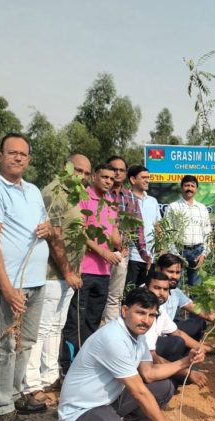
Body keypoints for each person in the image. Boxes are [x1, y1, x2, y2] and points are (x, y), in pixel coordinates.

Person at [58, 288, 202, 421]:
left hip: (107, 402)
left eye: (151, 315)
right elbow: (139, 392)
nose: (146, 321)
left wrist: (186, 361)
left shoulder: (137, 335)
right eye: (140, 313)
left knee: (164, 388)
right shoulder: (114, 339)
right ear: (124, 310)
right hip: (81, 411)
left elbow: (149, 373)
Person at [0, 133, 58, 421]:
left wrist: (48, 228)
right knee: (4, 344)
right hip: (10, 284)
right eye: (12, 152)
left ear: (29, 158)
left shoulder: (33, 191)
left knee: (25, 342)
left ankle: (13, 395)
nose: (18, 158)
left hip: (36, 280)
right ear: (0, 156)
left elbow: (43, 226)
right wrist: (8, 288)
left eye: (23, 154)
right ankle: (0, 409)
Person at [21, 154, 88, 404]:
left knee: (55, 328)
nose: (80, 176)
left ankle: (49, 376)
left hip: (67, 275)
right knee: (40, 329)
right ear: (65, 167)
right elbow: (54, 237)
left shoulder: (75, 195)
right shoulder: (54, 193)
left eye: (84, 172)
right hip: (51, 273)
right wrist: (68, 271)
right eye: (77, 170)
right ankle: (32, 383)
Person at [59, 163, 121, 376]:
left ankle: (84, 366)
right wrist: (104, 252)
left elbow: (112, 230)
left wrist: (120, 244)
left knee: (93, 321)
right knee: (75, 321)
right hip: (84, 269)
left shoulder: (111, 200)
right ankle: (67, 368)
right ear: (94, 176)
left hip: (104, 272)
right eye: (104, 177)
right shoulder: (83, 197)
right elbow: (81, 232)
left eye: (111, 179)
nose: (108, 181)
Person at [102, 155, 149, 323]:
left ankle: (109, 333)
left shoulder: (129, 197)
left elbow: (138, 227)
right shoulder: (99, 194)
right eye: (114, 169)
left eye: (121, 170)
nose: (117, 173)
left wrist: (145, 254)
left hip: (121, 253)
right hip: (98, 251)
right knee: (97, 294)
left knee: (115, 296)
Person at [144, 272, 211, 388]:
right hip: (142, 364)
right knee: (168, 386)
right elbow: (152, 357)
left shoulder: (159, 311)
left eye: (165, 290)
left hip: (150, 355)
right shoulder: (144, 317)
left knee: (179, 341)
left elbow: (177, 332)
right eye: (156, 288)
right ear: (145, 288)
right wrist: (186, 372)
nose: (161, 293)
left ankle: (170, 375)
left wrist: (201, 348)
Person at [155, 253, 215, 340]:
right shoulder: (149, 290)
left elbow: (195, 308)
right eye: (170, 272)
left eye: (178, 272)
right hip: (155, 336)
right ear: (159, 269)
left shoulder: (176, 292)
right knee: (179, 341)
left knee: (199, 323)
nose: (175, 276)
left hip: (169, 331)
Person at [164, 175, 212, 286]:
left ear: (196, 189)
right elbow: (167, 232)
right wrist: (174, 253)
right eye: (186, 185)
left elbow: (207, 232)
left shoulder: (202, 208)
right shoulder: (173, 207)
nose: (189, 188)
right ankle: (176, 304)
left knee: (196, 287)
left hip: (198, 251)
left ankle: (194, 303)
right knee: (175, 286)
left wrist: (204, 254)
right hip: (178, 250)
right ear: (181, 188)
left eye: (192, 186)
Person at [125, 165, 160, 287]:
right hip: (131, 255)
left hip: (150, 256)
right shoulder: (125, 199)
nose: (147, 180)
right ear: (133, 180)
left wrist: (161, 249)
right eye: (143, 177)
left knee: (145, 293)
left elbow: (158, 226)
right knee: (128, 292)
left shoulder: (153, 201)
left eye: (148, 177)